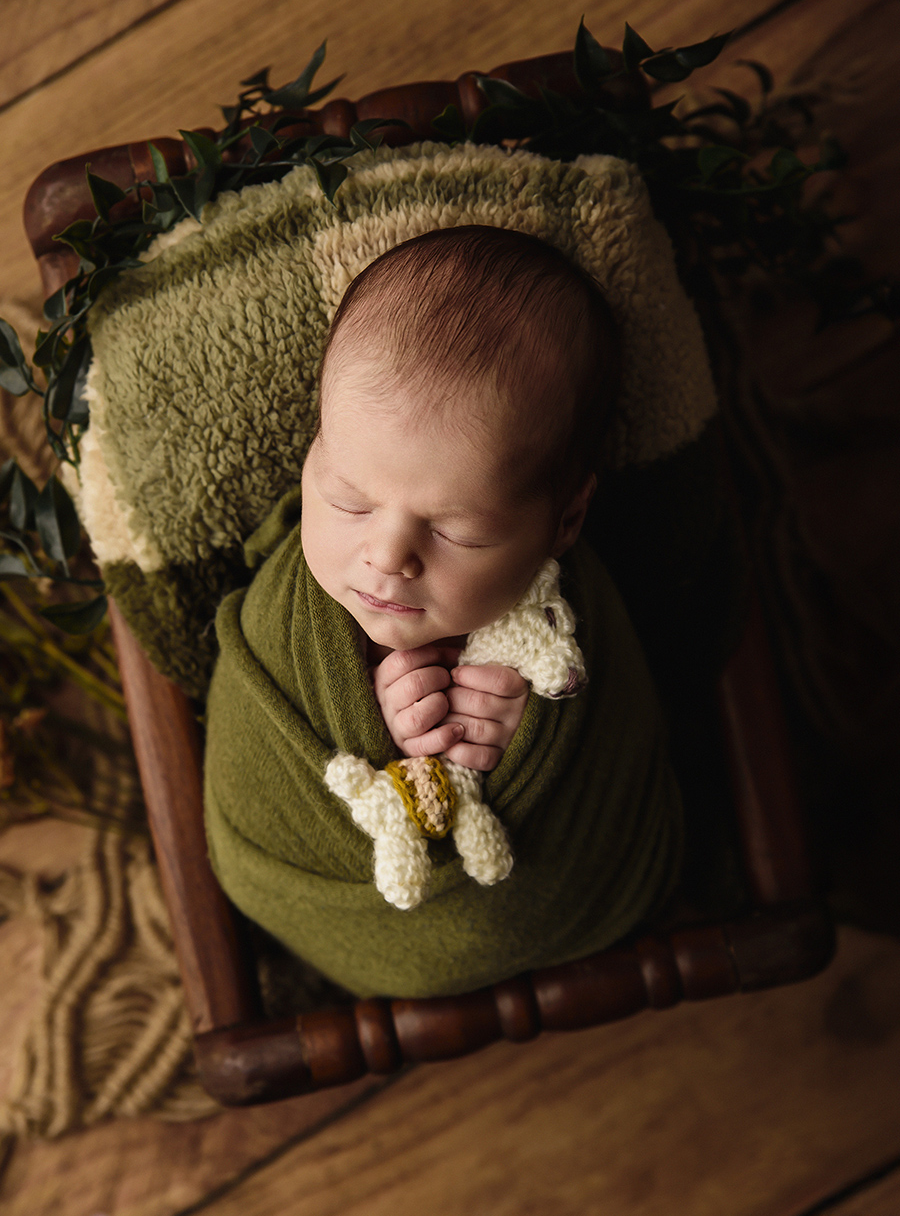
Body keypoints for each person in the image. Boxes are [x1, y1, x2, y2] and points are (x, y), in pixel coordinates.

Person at [204, 225, 683, 999]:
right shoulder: (291, 619)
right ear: (313, 457)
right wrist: (379, 726)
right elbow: (266, 742)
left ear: (563, 521)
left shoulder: (569, 610)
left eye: (456, 529)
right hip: (336, 903)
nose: (387, 556)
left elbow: (614, 725)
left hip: (565, 895)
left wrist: (523, 728)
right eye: (346, 498)